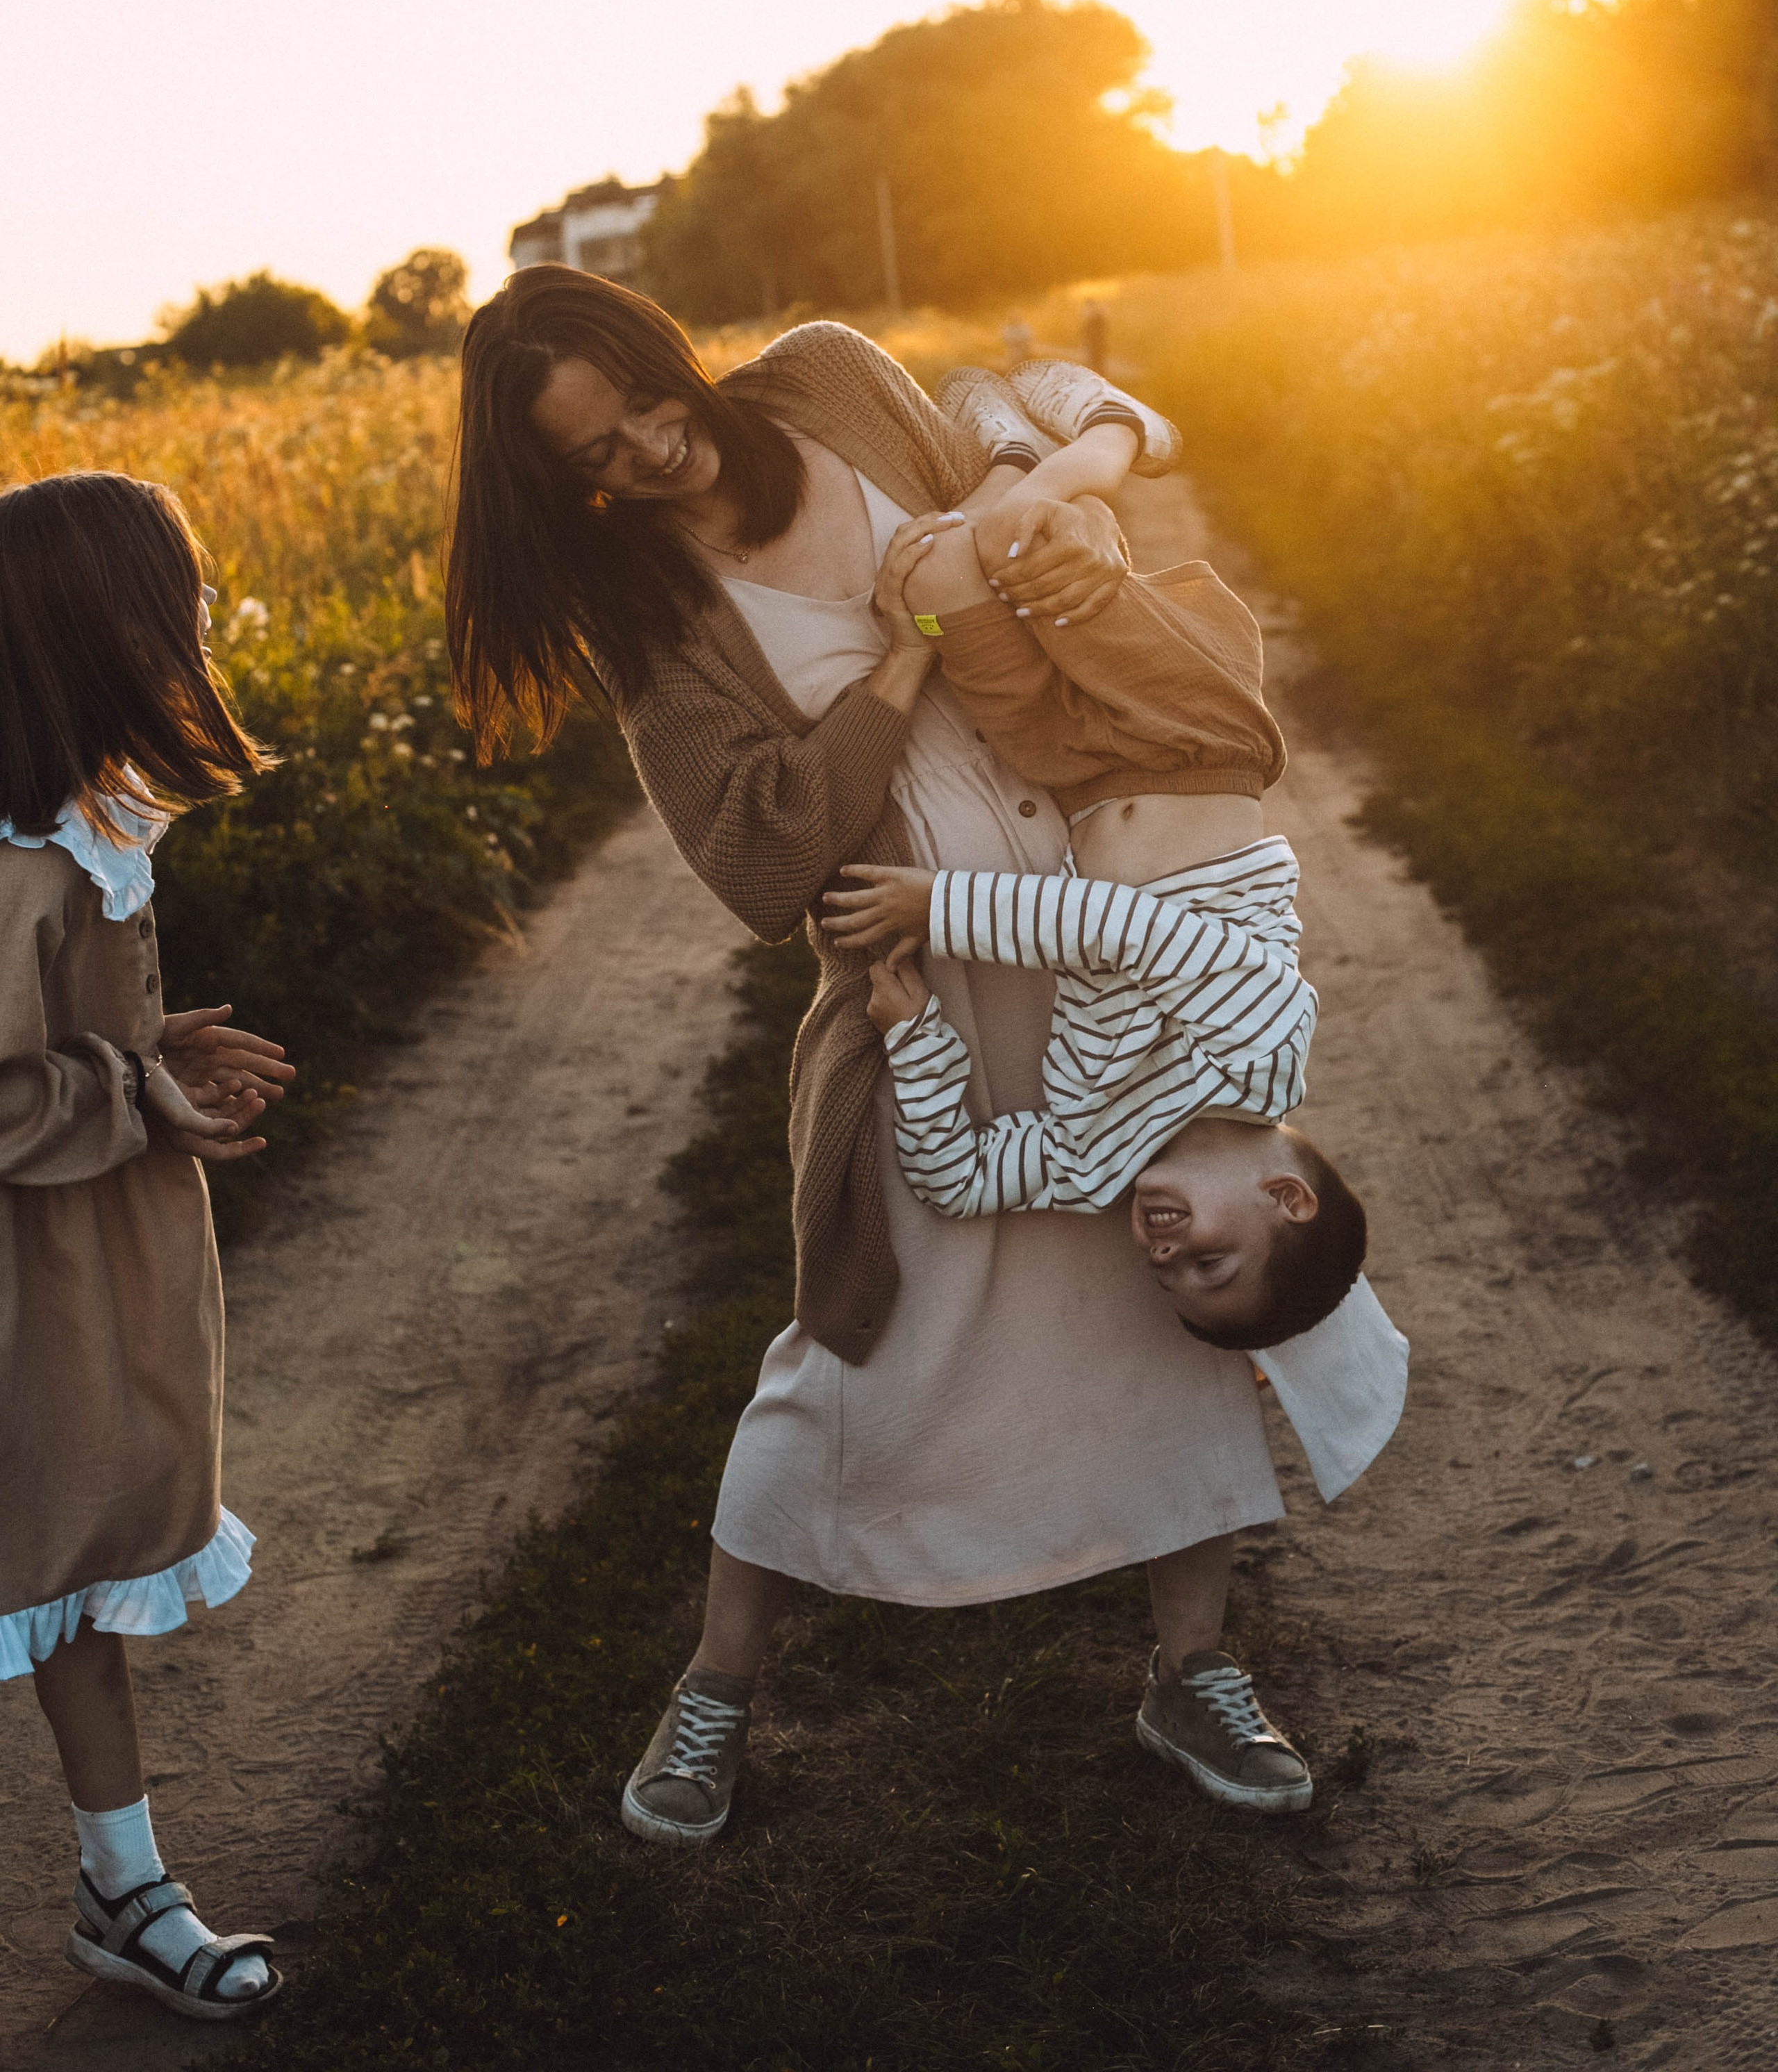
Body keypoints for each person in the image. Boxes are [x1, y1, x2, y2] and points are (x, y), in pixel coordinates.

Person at [446, 270, 1404, 1851]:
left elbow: (1023, 544)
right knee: (855, 1357)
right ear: (568, 484)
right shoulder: (654, 625)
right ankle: (715, 1692)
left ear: (667, 357)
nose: (653, 449)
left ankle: (1191, 1669)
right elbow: (764, 860)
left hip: (1107, 917)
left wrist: (1041, 525)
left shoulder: (827, 382)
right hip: (934, 988)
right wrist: (904, 657)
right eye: (599, 452)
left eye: (649, 401)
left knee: (1176, 1327)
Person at [820, 359, 1372, 1351]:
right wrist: (938, 910)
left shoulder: (1089, 1159)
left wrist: (915, 1035)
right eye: (1211, 1261)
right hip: (1190, 736)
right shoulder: (1263, 1051)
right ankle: (1115, 431)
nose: (1165, 1259)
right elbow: (1134, 931)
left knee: (935, 583)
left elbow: (960, 1179)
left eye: (1170, 1284)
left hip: (1070, 772)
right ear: (1286, 1197)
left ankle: (1010, 437)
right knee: (1014, 538)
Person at [1, 470, 292, 2023]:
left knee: (63, 1582)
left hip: (73, 1263)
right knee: (34, 1559)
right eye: (173, 593)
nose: (199, 615)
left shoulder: (85, 817)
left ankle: (127, 1891)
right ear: (88, 628)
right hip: (22, 1282)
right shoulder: (15, 855)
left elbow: (59, 1042)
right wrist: (141, 1095)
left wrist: (150, 1047)